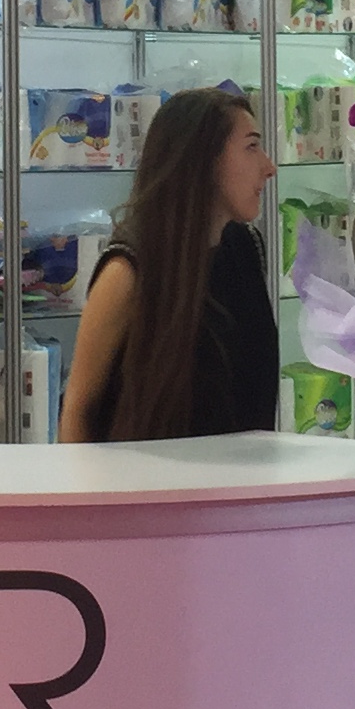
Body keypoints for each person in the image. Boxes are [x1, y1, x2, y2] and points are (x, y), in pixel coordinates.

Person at [59, 87, 279, 442]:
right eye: (251, 147)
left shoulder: (244, 249)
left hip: (244, 472)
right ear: (202, 158)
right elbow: (78, 410)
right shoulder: (128, 271)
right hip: (145, 474)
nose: (269, 167)